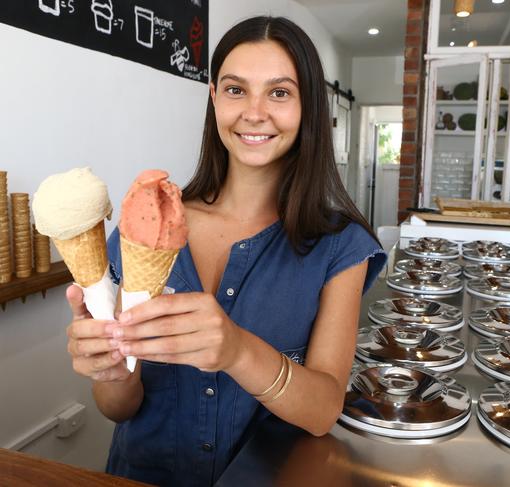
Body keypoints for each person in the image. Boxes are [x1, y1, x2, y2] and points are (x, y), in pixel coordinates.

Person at [64, 15, 386, 487]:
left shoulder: (341, 248)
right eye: (236, 90)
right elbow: (119, 409)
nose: (254, 112)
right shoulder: (145, 225)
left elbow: (322, 411)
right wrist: (110, 370)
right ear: (215, 98)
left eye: (279, 92)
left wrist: (237, 350)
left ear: (308, 107)